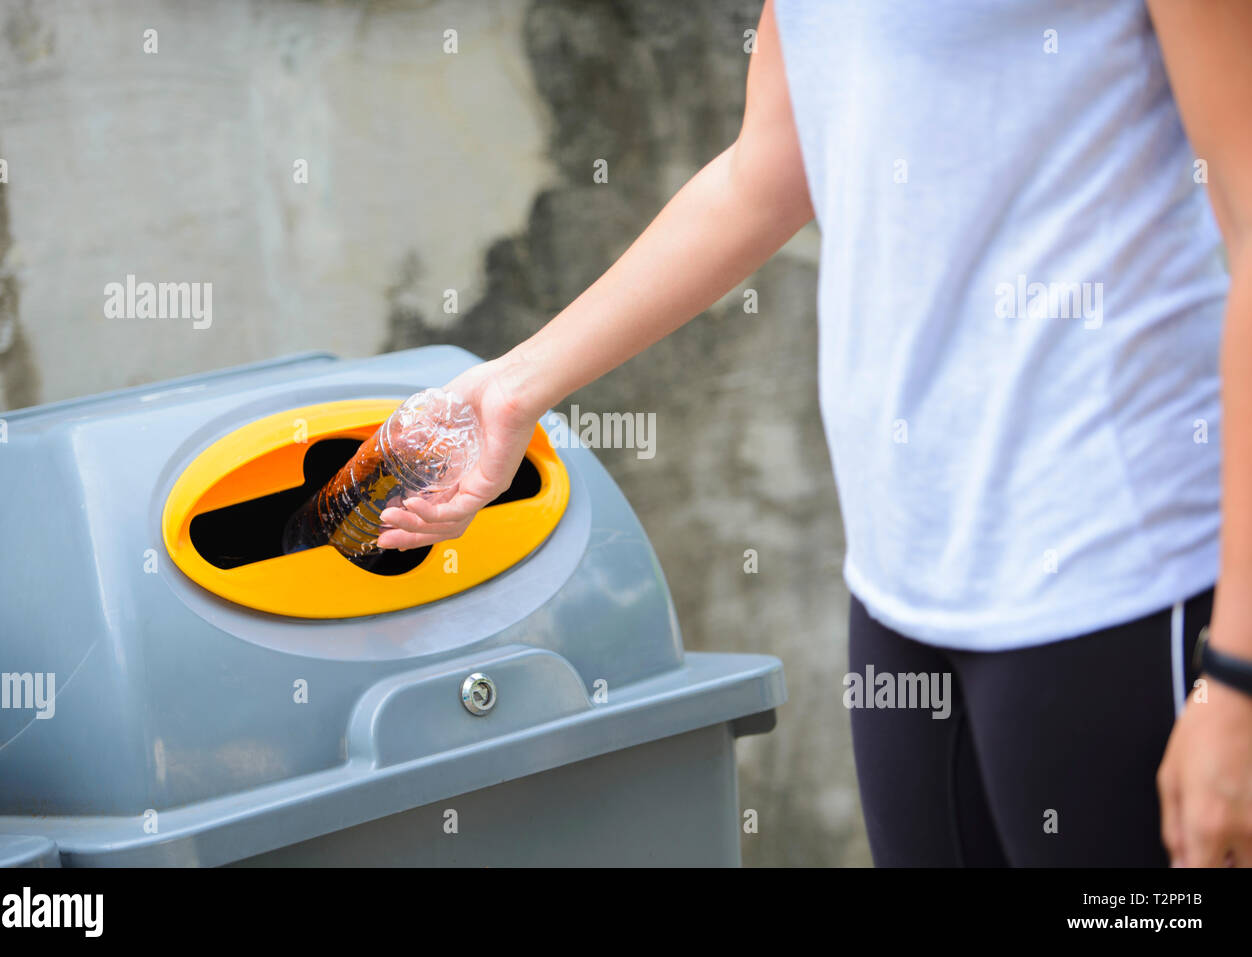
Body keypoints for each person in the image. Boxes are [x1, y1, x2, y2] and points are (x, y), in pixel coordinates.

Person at [373, 0, 1252, 866]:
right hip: (901, 581)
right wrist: (514, 388)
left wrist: (1242, 670)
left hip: (1117, 570)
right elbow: (769, 166)